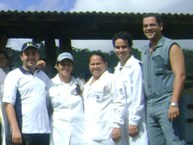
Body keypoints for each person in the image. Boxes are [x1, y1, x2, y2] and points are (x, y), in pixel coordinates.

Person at [141, 13, 186, 145]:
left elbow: (180, 75)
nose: (148, 28)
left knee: (175, 141)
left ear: (161, 26)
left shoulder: (171, 47)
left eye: (152, 25)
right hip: (150, 104)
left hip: (167, 100)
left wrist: (174, 103)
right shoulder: (144, 51)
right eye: (145, 26)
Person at [2, 42, 53, 145]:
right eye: (27, 54)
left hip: (44, 131)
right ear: (21, 57)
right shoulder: (13, 75)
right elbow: (8, 104)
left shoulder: (44, 77)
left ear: (38, 56)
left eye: (33, 53)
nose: (31, 57)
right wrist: (15, 129)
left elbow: (52, 100)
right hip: (24, 131)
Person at [112, 31, 148, 145]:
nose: (121, 50)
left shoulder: (136, 66)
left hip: (135, 118)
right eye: (117, 47)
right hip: (121, 118)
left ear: (130, 48)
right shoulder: (117, 69)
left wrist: (134, 121)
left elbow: (138, 95)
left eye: (124, 47)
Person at [83, 52, 126, 145]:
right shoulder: (87, 85)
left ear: (105, 64)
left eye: (98, 63)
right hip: (90, 134)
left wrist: (117, 126)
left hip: (107, 133)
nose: (95, 67)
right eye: (92, 64)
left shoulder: (112, 79)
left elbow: (120, 102)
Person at [49, 52, 87, 145]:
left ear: (72, 67)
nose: (66, 67)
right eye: (62, 64)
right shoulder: (50, 84)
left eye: (69, 64)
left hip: (78, 132)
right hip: (58, 132)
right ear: (57, 66)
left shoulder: (81, 84)